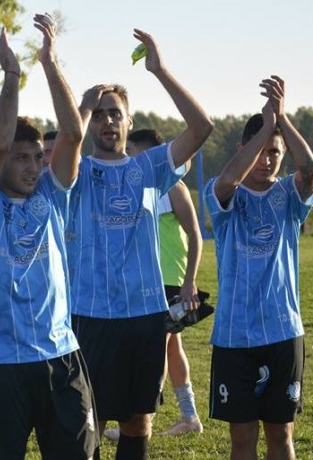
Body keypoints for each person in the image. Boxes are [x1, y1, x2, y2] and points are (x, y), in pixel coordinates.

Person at [0, 16, 97, 460]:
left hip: (60, 357)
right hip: (0, 365)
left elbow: (73, 134)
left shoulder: (53, 197)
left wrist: (49, 62)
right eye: (23, 159)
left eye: (38, 158)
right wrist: (12, 77)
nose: (34, 167)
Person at [68, 29, 213, 459]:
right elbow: (66, 150)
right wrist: (82, 106)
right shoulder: (72, 172)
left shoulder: (149, 167)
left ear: (129, 123)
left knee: (137, 421)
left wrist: (160, 70)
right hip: (88, 315)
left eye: (116, 114)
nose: (108, 121)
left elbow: (202, 127)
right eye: (100, 114)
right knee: (86, 419)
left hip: (143, 316)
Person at [205, 76, 313, 460]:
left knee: (281, 437)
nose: (268, 159)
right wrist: (265, 129)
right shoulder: (224, 195)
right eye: (261, 151)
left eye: (275, 152)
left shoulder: (287, 193)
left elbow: (311, 171)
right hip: (234, 337)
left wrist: (282, 122)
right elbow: (225, 180)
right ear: (244, 149)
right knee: (242, 440)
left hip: (283, 332)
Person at [130, 128, 205, 436]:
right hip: (149, 282)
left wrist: (190, 281)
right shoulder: (138, 189)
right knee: (172, 348)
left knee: (155, 349)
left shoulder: (174, 188)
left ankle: (143, 419)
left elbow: (196, 236)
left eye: (134, 154)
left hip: (170, 282)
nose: (129, 160)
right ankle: (189, 418)